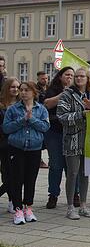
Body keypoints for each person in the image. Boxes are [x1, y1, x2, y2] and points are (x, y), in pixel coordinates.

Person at [57, 67, 90, 220]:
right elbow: (61, 116)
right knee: (72, 173)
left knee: (85, 173)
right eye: (76, 76)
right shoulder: (67, 95)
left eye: (82, 76)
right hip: (72, 140)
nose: (78, 79)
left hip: (89, 140)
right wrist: (82, 114)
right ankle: (70, 207)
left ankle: (83, 205)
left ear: (87, 78)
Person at [3, 81, 49, 224]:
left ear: (34, 93)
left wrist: (32, 119)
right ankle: (17, 210)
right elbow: (6, 128)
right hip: (17, 149)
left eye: (26, 90)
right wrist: (22, 120)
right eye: (21, 90)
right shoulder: (13, 109)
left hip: (34, 149)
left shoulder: (41, 109)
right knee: (17, 179)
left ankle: (28, 207)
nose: (23, 92)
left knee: (31, 179)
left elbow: (45, 127)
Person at [41, 67, 74, 209]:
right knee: (55, 165)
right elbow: (47, 104)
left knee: (72, 166)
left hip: (72, 132)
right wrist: (63, 94)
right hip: (55, 131)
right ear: (60, 77)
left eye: (72, 75)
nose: (70, 78)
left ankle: (75, 194)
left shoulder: (77, 90)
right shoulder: (53, 89)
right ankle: (53, 195)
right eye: (67, 75)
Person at [0, 78, 21, 213]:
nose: (15, 89)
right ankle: (11, 200)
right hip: (3, 143)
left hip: (17, 143)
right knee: (6, 172)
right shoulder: (1, 105)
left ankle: (13, 200)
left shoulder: (21, 104)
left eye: (17, 87)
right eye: (12, 87)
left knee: (16, 174)